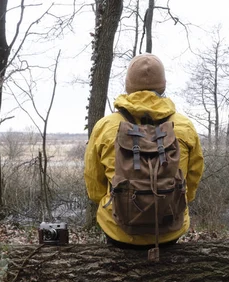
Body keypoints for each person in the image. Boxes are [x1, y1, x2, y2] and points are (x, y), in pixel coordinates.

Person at [84, 53, 204, 248]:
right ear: (163, 85)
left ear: (128, 85)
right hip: (169, 230)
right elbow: (192, 178)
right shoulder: (184, 126)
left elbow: (94, 186)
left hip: (118, 230)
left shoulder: (105, 127)